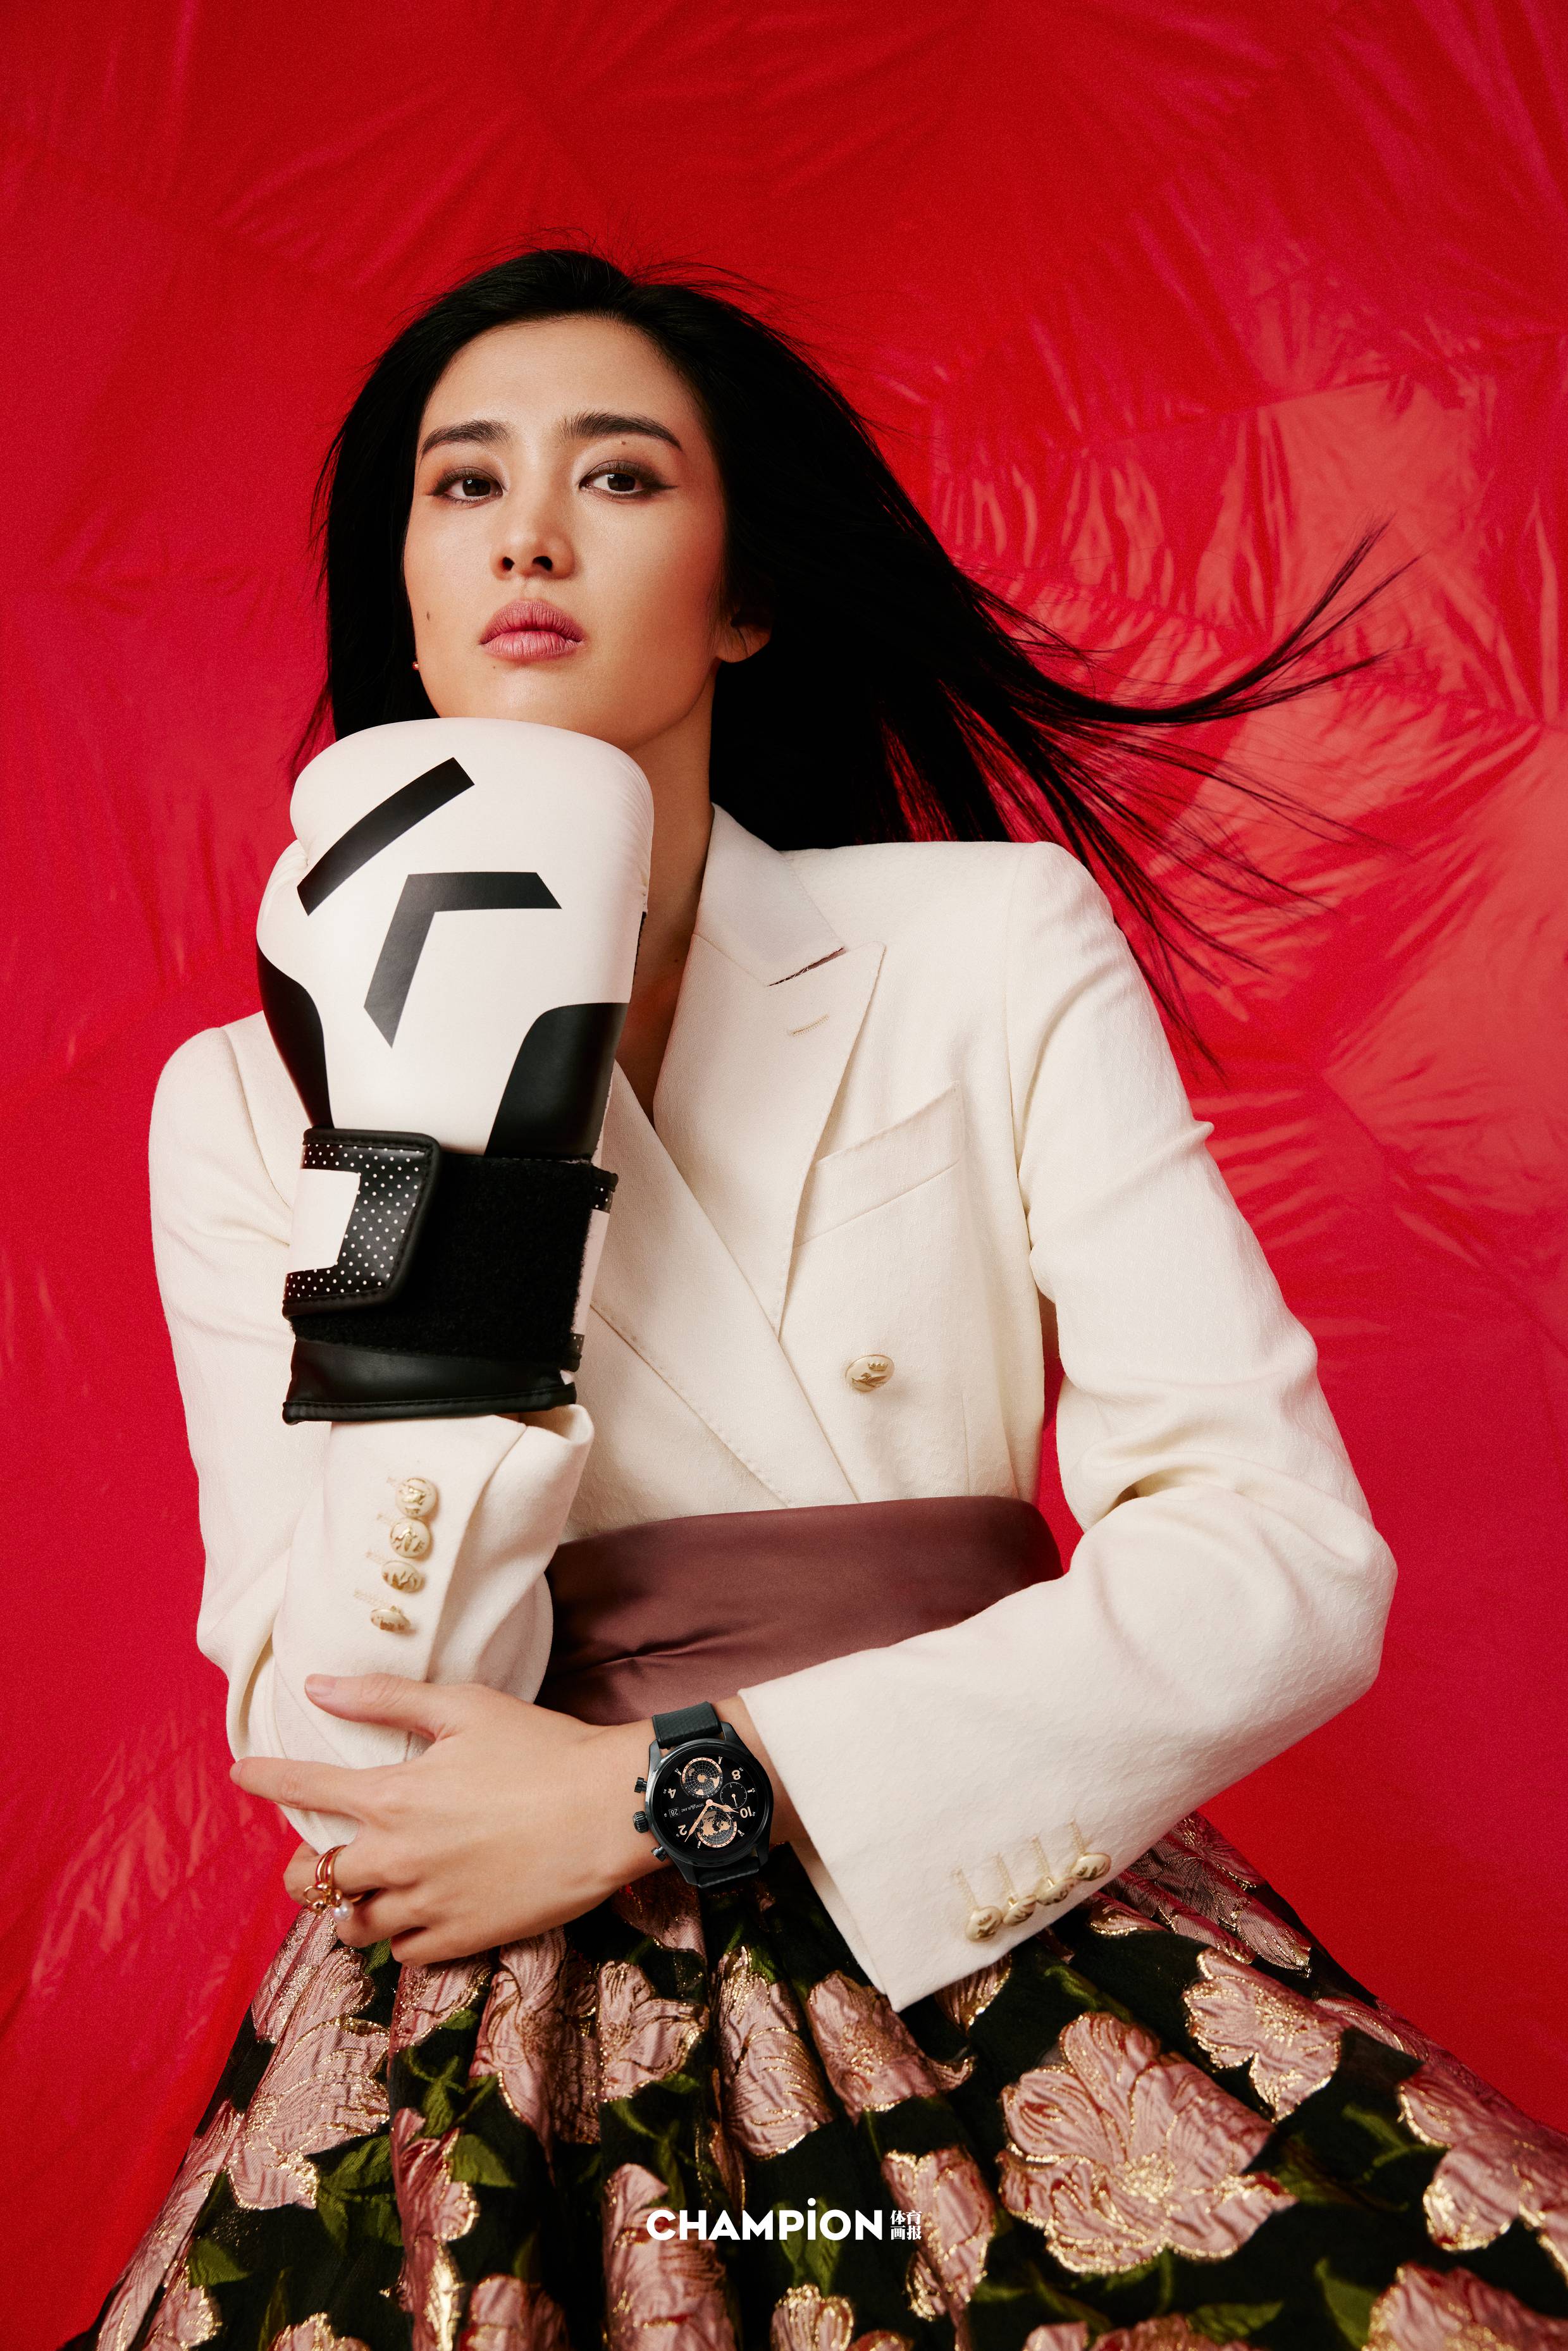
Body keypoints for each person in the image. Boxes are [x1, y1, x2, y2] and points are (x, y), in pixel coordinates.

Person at [75, 251, 1568, 2351]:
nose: (526, 535)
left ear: (745, 594)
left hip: (987, 1911)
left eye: (619, 476)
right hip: (494, 2043)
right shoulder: (246, 1097)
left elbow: (1281, 1560)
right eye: (462, 483)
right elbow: (341, 1744)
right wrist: (458, 1169)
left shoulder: (985, 947)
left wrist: (675, 1788)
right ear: (403, 594)